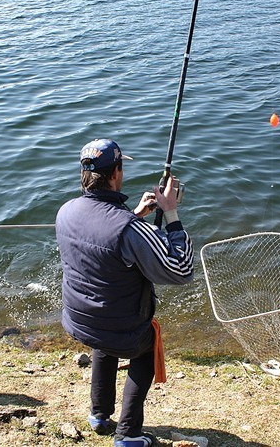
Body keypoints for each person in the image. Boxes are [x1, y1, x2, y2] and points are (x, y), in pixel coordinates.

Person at [56, 139, 194, 447]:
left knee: (105, 342)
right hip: (119, 329)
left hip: (79, 322)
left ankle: (99, 415)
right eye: (122, 166)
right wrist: (171, 214)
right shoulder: (129, 228)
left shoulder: (66, 211)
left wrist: (135, 214)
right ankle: (129, 434)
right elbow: (181, 270)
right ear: (116, 173)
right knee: (144, 347)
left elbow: (103, 240)